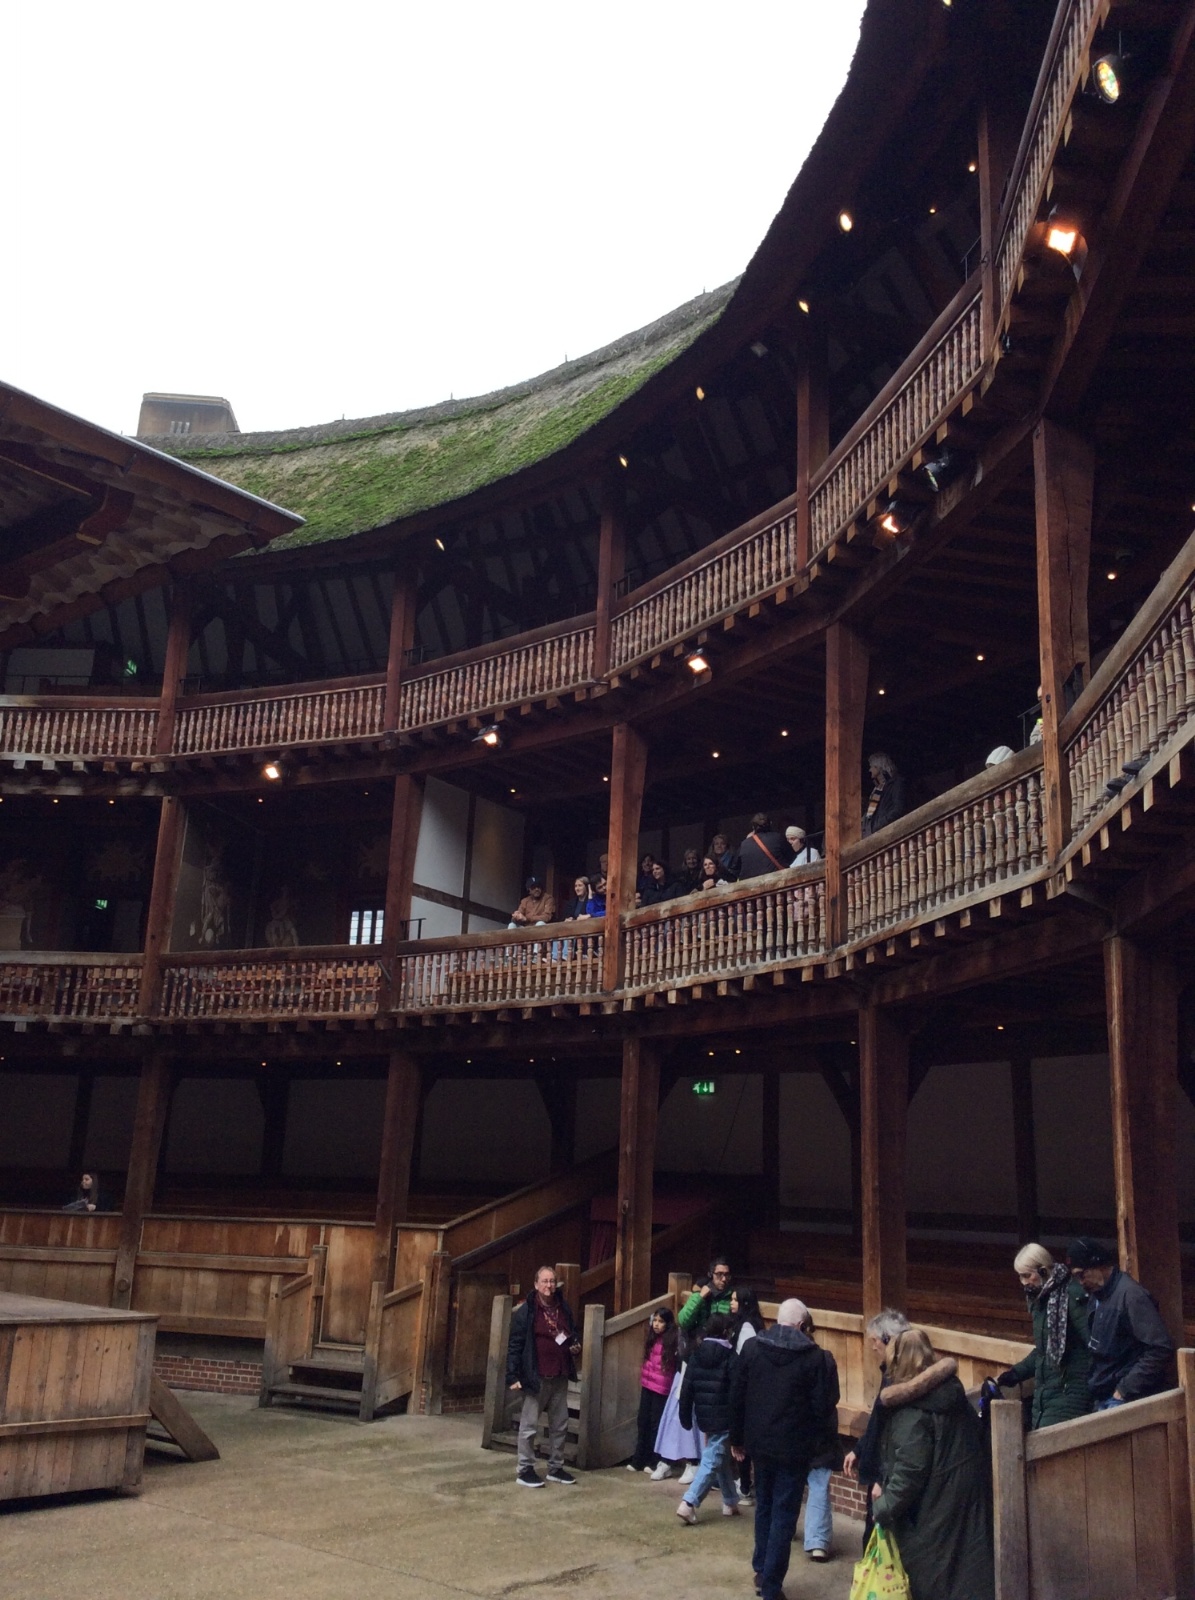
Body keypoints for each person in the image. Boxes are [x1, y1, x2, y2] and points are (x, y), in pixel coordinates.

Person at [871, 1327, 994, 1600]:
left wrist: (882, 1508)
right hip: (963, 1505)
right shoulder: (953, 1395)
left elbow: (909, 1473)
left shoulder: (913, 1414)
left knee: (933, 1582)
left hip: (931, 1515)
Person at [729, 1296, 837, 1600]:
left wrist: (736, 1438)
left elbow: (737, 1395)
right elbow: (823, 1406)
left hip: (760, 1443)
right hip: (794, 1447)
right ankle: (771, 1583)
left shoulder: (753, 1348)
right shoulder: (814, 1359)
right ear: (802, 1325)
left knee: (765, 1505)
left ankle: (762, 1570)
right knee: (784, 1513)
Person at [1066, 1236, 1175, 1407]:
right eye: (1076, 1277)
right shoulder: (1096, 1296)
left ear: (1098, 1264)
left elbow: (1160, 1348)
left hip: (1125, 1398)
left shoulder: (1131, 1296)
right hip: (1103, 1393)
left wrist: (1124, 1390)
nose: (1081, 1282)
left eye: (1082, 1274)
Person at [996, 1243, 1092, 1428]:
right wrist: (1017, 1372)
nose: (1024, 1282)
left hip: (1071, 1393)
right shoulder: (1040, 1300)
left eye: (1027, 1275)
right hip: (1047, 1394)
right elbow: (1044, 1351)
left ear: (1043, 1270)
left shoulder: (1071, 1296)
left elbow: (1094, 1345)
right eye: (1020, 1276)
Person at [506, 1265, 581, 1487]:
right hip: (536, 1375)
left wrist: (575, 1345)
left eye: (552, 1281)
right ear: (536, 1284)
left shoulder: (563, 1307)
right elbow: (515, 1344)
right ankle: (525, 1469)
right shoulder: (527, 1311)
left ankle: (556, 1467)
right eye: (545, 1281)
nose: (549, 1285)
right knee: (529, 1426)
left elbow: (571, 1333)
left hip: (560, 1374)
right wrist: (512, 1375)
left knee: (560, 1425)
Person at [843, 1308, 911, 1548]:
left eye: (875, 1341)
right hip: (879, 1470)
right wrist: (859, 1449)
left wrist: (882, 1480)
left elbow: (896, 1435)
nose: (873, 1347)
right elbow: (877, 1421)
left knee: (877, 1540)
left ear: (888, 1340)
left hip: (887, 1476)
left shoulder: (899, 1381)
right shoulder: (888, 1374)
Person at [676, 1312, 741, 1524]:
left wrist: (685, 1416)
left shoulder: (696, 1354)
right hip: (725, 1416)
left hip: (703, 1414)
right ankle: (689, 1502)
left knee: (719, 1455)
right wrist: (739, 1422)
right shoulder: (731, 1357)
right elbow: (736, 1393)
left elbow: (687, 1388)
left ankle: (730, 1501)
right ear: (726, 1332)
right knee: (713, 1458)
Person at [797, 1307, 840, 1563]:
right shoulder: (825, 1359)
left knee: (792, 1481)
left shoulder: (790, 1359)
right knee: (819, 1484)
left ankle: (788, 1528)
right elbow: (833, 1395)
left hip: (795, 1429)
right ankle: (817, 1541)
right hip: (821, 1428)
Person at [628, 1307, 679, 1474]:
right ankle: (638, 1459)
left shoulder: (672, 1340)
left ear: (668, 1323)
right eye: (655, 1320)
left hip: (661, 1387)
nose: (656, 1324)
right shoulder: (652, 1338)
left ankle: (654, 1460)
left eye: (661, 1321)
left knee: (656, 1424)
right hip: (647, 1383)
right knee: (643, 1420)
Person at [730, 1287, 765, 1501]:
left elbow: (745, 1358)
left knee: (743, 1441)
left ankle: (745, 1486)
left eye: (735, 1300)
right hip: (749, 1386)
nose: (731, 1303)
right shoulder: (747, 1323)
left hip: (747, 1387)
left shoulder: (747, 1327)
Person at [678, 1259, 733, 1337]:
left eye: (726, 1275)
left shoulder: (733, 1297)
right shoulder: (700, 1295)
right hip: (702, 1339)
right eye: (719, 1274)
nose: (724, 1279)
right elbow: (683, 1321)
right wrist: (700, 1297)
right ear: (711, 1275)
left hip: (725, 1340)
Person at [862, 753, 907, 835]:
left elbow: (897, 809)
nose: (870, 770)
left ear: (879, 767)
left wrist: (879, 825)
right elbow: (869, 814)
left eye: (872, 767)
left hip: (886, 832)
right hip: (870, 834)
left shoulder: (896, 784)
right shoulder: (876, 789)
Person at [737, 813, 792, 879]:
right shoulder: (778, 838)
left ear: (753, 827)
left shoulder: (743, 845)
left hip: (752, 884)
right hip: (777, 881)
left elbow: (735, 869)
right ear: (770, 823)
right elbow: (791, 857)